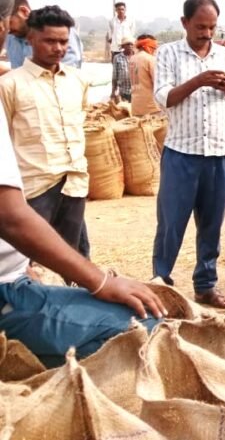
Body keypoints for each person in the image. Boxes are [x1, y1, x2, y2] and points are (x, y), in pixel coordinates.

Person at [0, 99, 164, 366]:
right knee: (147, 326)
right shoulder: (13, 86)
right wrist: (101, 282)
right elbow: (10, 216)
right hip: (7, 290)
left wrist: (16, 262)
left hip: (17, 273)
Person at [152, 0, 225, 308]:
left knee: (212, 224)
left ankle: (205, 286)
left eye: (212, 27)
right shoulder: (168, 54)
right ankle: (161, 285)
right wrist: (198, 81)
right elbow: (164, 98)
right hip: (182, 153)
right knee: (171, 223)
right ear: (185, 23)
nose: (207, 33)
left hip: (220, 154)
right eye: (200, 27)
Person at [0, 6, 92, 259]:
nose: (58, 48)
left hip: (74, 184)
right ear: (31, 39)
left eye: (63, 41)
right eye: (50, 41)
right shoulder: (10, 85)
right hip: (33, 188)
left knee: (72, 260)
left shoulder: (78, 81)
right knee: (28, 262)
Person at [3, 0, 83, 70]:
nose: (6, 29)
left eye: (9, 22)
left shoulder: (59, 31)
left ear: (24, 12)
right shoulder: (11, 37)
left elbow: (66, 74)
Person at [129, 34, 161, 116]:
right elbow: (158, 84)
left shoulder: (132, 59)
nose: (154, 50)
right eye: (153, 47)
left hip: (136, 107)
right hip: (151, 108)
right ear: (146, 46)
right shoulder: (150, 59)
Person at [111, 37, 135, 102]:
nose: (130, 46)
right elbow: (114, 76)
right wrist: (113, 92)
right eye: (128, 44)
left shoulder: (137, 57)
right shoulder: (117, 57)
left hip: (136, 93)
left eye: (131, 44)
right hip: (123, 92)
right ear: (123, 46)